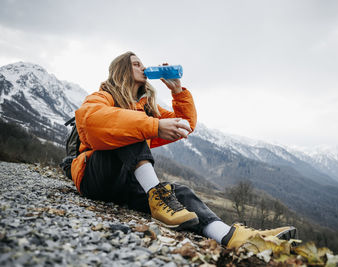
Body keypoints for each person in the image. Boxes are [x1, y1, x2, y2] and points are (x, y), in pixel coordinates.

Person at [70, 51, 297, 250]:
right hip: (95, 178)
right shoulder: (103, 96)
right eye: (136, 63)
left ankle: (232, 236)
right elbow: (89, 121)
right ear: (121, 69)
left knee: (181, 192)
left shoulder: (147, 107)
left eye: (142, 63)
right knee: (130, 127)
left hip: (126, 185)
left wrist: (178, 91)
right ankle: (157, 197)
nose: (143, 67)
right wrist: (153, 125)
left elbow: (186, 123)